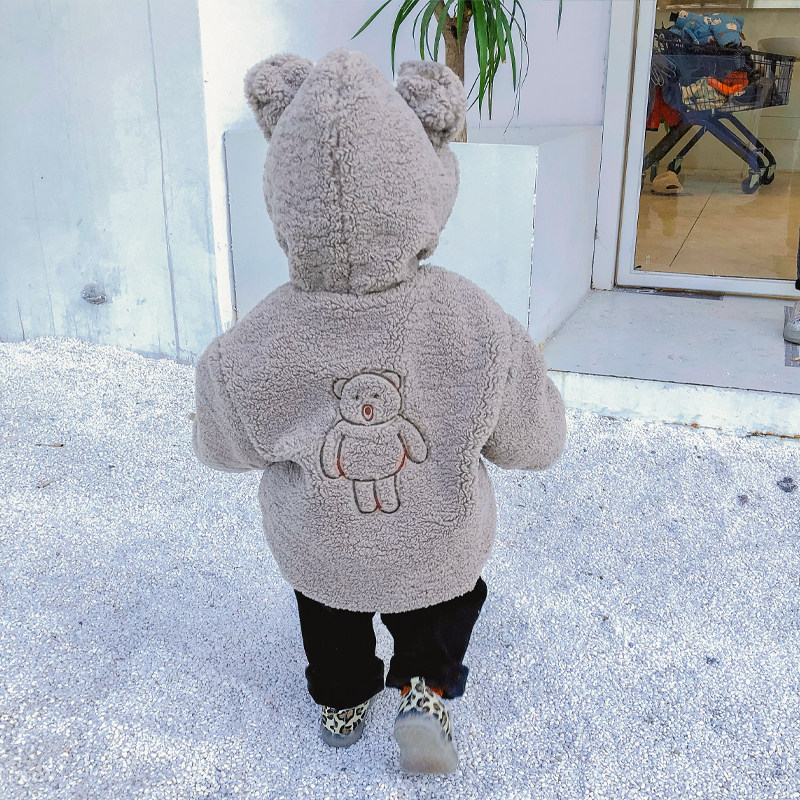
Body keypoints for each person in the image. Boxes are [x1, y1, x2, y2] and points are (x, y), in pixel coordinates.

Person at [192, 49, 566, 775]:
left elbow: (222, 443)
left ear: (286, 196)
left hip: (322, 543)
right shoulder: (470, 320)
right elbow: (532, 435)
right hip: (437, 538)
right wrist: (538, 432)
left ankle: (341, 699)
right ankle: (424, 690)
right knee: (443, 605)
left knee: (328, 617)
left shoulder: (260, 338)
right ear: (421, 185)